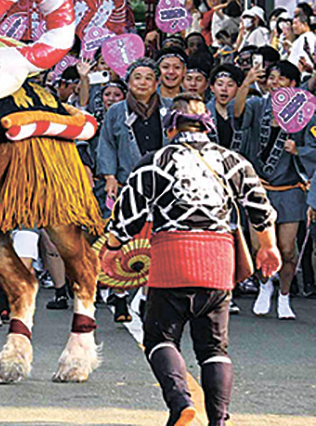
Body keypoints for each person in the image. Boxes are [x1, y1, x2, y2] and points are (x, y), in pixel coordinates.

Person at [103, 93, 280, 426]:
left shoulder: (154, 162)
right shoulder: (234, 161)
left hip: (172, 260)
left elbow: (128, 215)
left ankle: (181, 403)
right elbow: (259, 209)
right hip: (217, 263)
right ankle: (219, 420)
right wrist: (268, 247)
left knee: (159, 337)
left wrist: (113, 248)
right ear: (207, 124)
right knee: (214, 348)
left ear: (171, 126)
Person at [96, 58, 172, 321]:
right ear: (129, 82)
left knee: (154, 240)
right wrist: (109, 177)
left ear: (156, 83)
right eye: (137, 77)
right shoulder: (117, 110)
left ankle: (145, 296)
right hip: (127, 181)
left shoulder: (168, 108)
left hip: (160, 184)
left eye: (148, 78)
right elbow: (106, 143)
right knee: (124, 237)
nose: (142, 82)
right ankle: (119, 296)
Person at [233, 60, 307, 320]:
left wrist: (300, 150)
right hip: (260, 188)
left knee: (287, 249)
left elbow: (314, 142)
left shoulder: (306, 112)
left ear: (293, 84)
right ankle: (265, 286)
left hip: (290, 189)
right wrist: (246, 82)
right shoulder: (258, 104)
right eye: (272, 78)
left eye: (282, 79)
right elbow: (238, 115)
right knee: (258, 247)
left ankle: (284, 295)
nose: (275, 83)